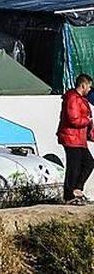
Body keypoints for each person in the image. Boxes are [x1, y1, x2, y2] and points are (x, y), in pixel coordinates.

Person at [58, 73, 94, 204]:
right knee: (74, 167)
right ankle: (69, 195)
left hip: (79, 139)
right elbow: (73, 119)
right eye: (89, 87)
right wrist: (87, 120)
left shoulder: (80, 99)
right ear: (83, 85)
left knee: (88, 163)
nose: (89, 90)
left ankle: (77, 189)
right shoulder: (72, 98)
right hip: (71, 138)